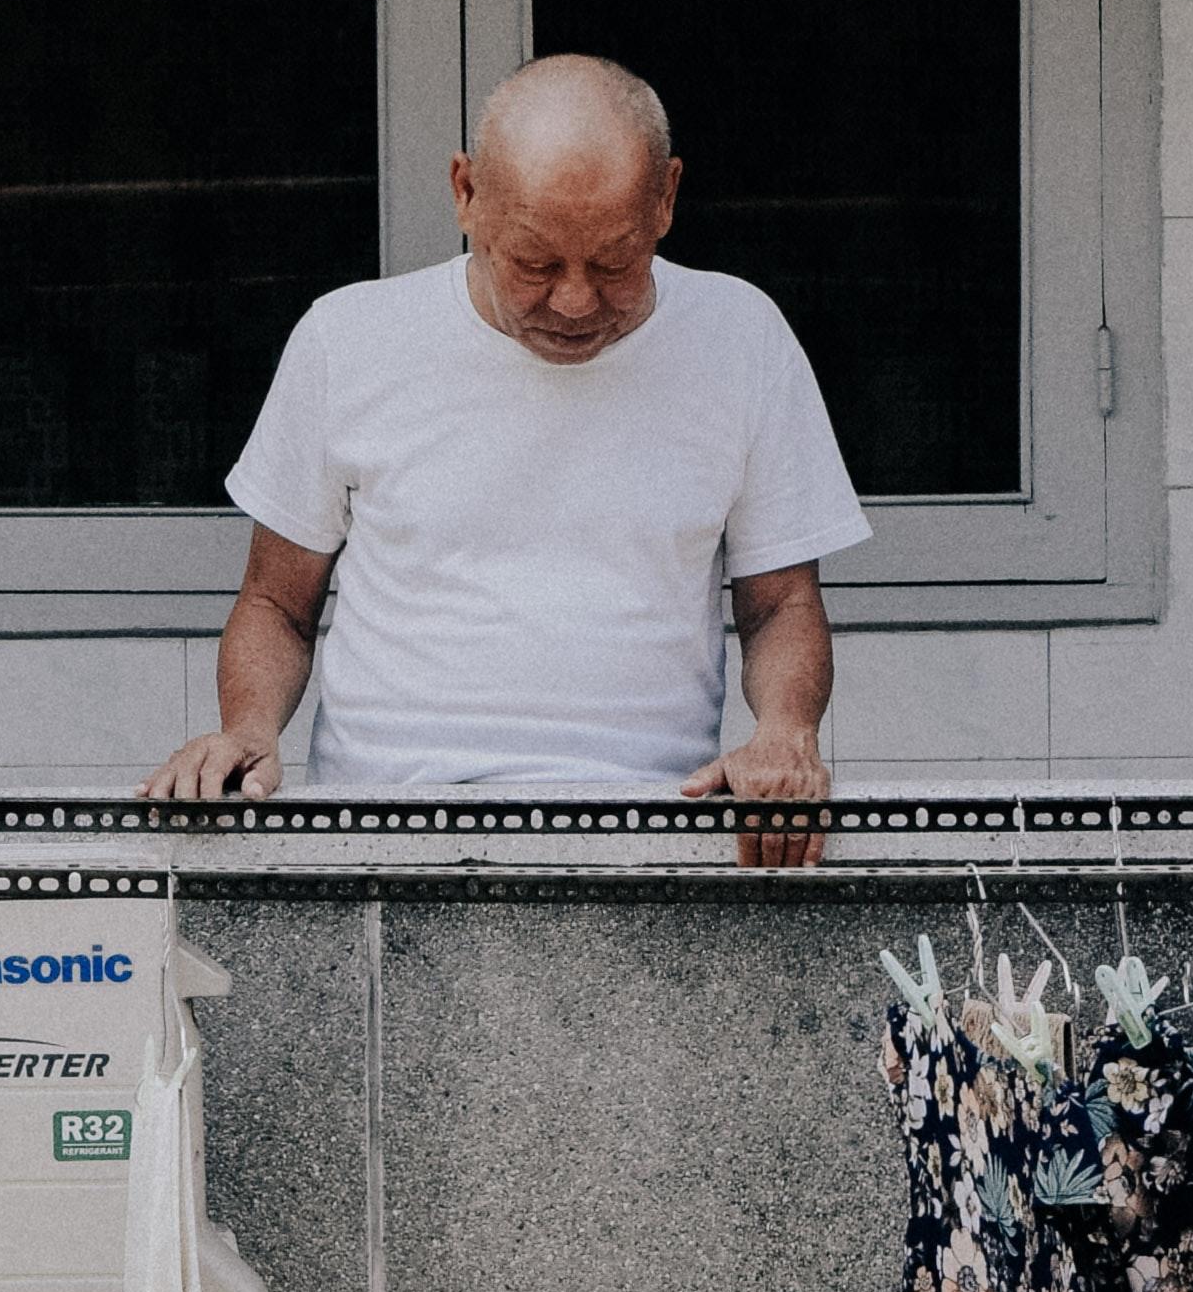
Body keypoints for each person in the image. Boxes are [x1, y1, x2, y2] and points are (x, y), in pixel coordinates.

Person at [141, 52, 863, 866]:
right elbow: (277, 603)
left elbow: (779, 606)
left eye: (614, 263)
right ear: (465, 193)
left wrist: (782, 734)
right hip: (385, 832)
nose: (575, 300)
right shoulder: (346, 340)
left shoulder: (741, 337)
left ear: (665, 197)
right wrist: (247, 730)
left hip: (650, 833)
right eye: (535, 263)